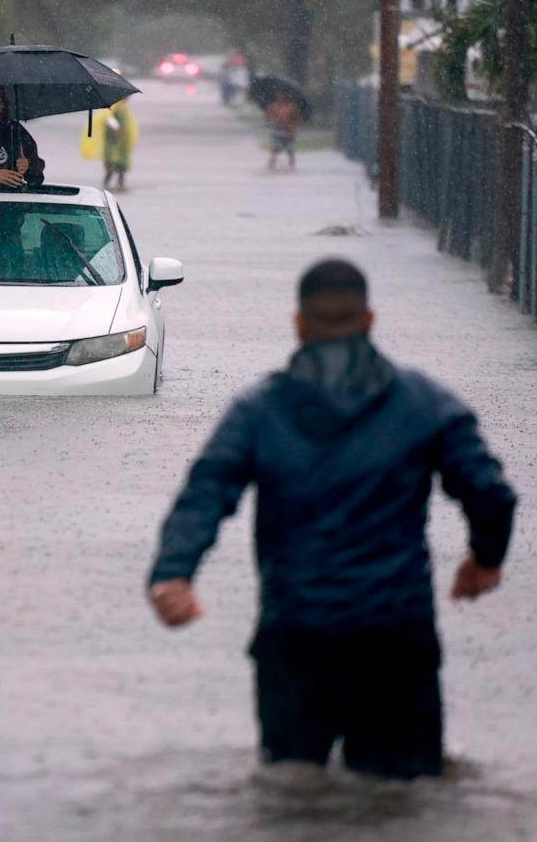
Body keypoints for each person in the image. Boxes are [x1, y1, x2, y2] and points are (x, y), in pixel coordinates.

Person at [145, 258, 517, 781]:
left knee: (291, 795)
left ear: (298, 325)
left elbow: (206, 491)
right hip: (396, 637)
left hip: (296, 634)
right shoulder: (425, 404)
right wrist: (485, 558)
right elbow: (490, 492)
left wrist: (173, 573)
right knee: (403, 799)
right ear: (370, 320)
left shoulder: (257, 411)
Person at [101, 100, 137, 192]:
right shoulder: (116, 109)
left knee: (120, 167)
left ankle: (118, 184)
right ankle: (107, 184)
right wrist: (115, 128)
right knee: (112, 166)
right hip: (115, 145)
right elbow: (109, 120)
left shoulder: (122, 108)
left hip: (122, 144)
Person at [265, 92, 302, 171]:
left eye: (282, 95)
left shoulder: (292, 106)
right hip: (278, 129)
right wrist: (270, 112)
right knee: (275, 147)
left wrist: (292, 128)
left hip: (289, 130)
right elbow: (269, 116)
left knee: (290, 149)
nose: (280, 97)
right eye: (278, 96)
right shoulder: (274, 105)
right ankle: (271, 164)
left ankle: (292, 165)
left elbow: (297, 119)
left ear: (286, 96)